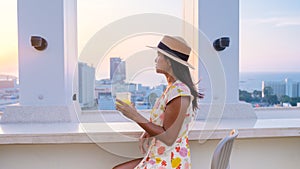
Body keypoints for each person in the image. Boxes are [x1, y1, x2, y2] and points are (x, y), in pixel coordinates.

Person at [113, 35, 203, 169]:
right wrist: (149, 130)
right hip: (160, 156)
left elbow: (169, 137)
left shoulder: (179, 93)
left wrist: (135, 116)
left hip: (170, 161)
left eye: (159, 55)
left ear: (169, 61)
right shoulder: (172, 88)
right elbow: (166, 123)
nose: (156, 59)